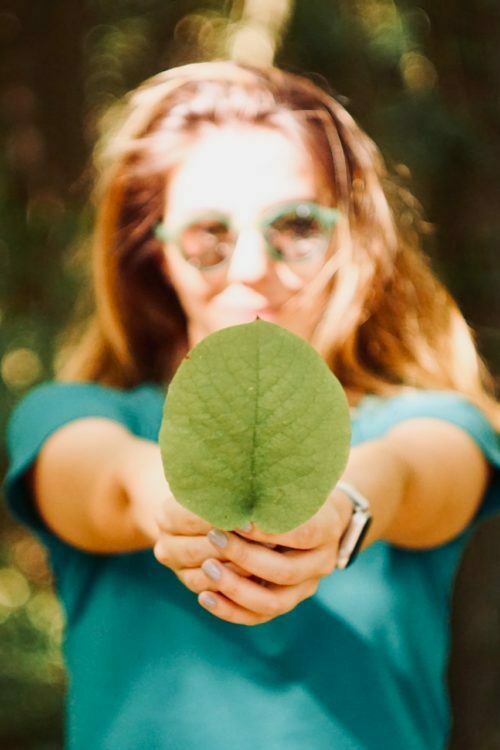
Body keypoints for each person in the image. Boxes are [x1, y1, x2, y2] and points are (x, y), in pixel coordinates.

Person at [3, 60, 500, 750]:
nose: (249, 269)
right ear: (157, 254)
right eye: (210, 233)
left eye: (296, 225)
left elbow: (411, 476)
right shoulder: (69, 416)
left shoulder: (432, 421)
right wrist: (176, 504)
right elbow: (108, 483)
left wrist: (341, 512)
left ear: (349, 237)